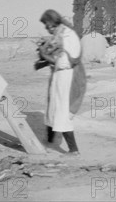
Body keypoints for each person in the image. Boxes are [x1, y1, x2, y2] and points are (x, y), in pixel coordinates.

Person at [37, 9, 86, 156]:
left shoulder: (68, 35)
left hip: (67, 77)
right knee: (53, 110)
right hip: (59, 77)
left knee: (62, 113)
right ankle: (49, 143)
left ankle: (74, 150)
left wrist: (46, 56)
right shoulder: (59, 34)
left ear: (52, 23)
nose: (47, 29)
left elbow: (67, 61)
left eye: (47, 25)